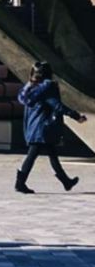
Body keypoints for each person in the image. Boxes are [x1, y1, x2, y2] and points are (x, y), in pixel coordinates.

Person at [15, 60, 88, 193]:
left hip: (34, 125)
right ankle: (20, 183)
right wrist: (76, 116)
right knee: (33, 155)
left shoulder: (31, 87)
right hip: (43, 127)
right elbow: (57, 106)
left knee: (51, 154)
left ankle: (66, 181)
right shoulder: (48, 87)